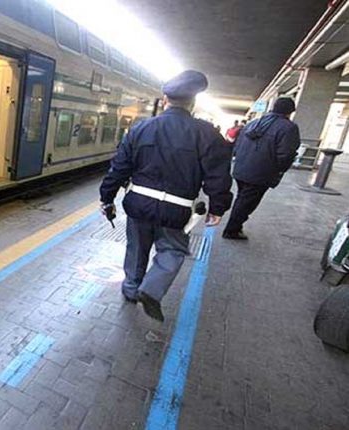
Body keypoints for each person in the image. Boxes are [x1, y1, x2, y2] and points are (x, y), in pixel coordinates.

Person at [99, 70, 233, 322]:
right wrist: (218, 206)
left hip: (138, 203)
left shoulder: (141, 128)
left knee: (136, 248)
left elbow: (119, 167)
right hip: (176, 209)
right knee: (172, 250)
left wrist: (107, 197)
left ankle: (130, 289)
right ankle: (151, 289)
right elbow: (218, 174)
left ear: (164, 100)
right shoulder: (206, 133)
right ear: (192, 103)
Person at [222, 97, 301, 240]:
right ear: (290, 112)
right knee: (247, 202)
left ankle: (235, 226)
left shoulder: (254, 123)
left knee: (243, 198)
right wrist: (280, 169)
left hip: (241, 168)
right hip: (261, 173)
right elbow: (286, 153)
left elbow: (237, 145)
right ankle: (231, 230)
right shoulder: (289, 128)